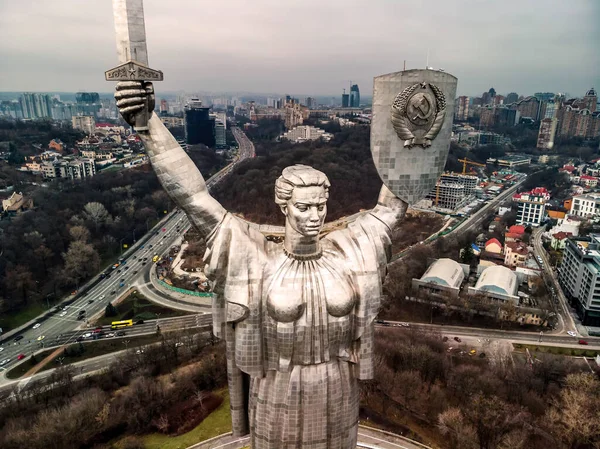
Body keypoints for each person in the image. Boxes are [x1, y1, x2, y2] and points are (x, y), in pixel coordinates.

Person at [115, 81, 407, 449]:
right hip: (276, 390)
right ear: (284, 207)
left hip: (338, 388)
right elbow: (193, 196)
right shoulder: (255, 259)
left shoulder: (351, 252)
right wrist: (148, 125)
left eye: (320, 206)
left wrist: (413, 141)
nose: (314, 216)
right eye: (303, 207)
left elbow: (391, 207)